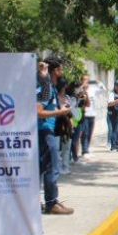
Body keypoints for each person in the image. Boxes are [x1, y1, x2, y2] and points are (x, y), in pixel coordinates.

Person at [37, 58, 74, 215]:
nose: (62, 72)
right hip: (45, 131)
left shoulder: (49, 87)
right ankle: (51, 203)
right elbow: (38, 112)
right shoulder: (45, 88)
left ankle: (39, 201)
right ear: (54, 70)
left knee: (40, 168)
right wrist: (61, 112)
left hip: (47, 131)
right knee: (53, 166)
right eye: (60, 69)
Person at [79, 75, 96, 159]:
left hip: (92, 114)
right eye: (85, 80)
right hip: (85, 114)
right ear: (81, 80)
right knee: (84, 133)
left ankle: (87, 149)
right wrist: (83, 88)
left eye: (88, 80)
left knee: (89, 133)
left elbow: (103, 89)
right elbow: (82, 101)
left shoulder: (92, 89)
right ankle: (84, 150)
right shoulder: (80, 90)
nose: (86, 82)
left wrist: (98, 82)